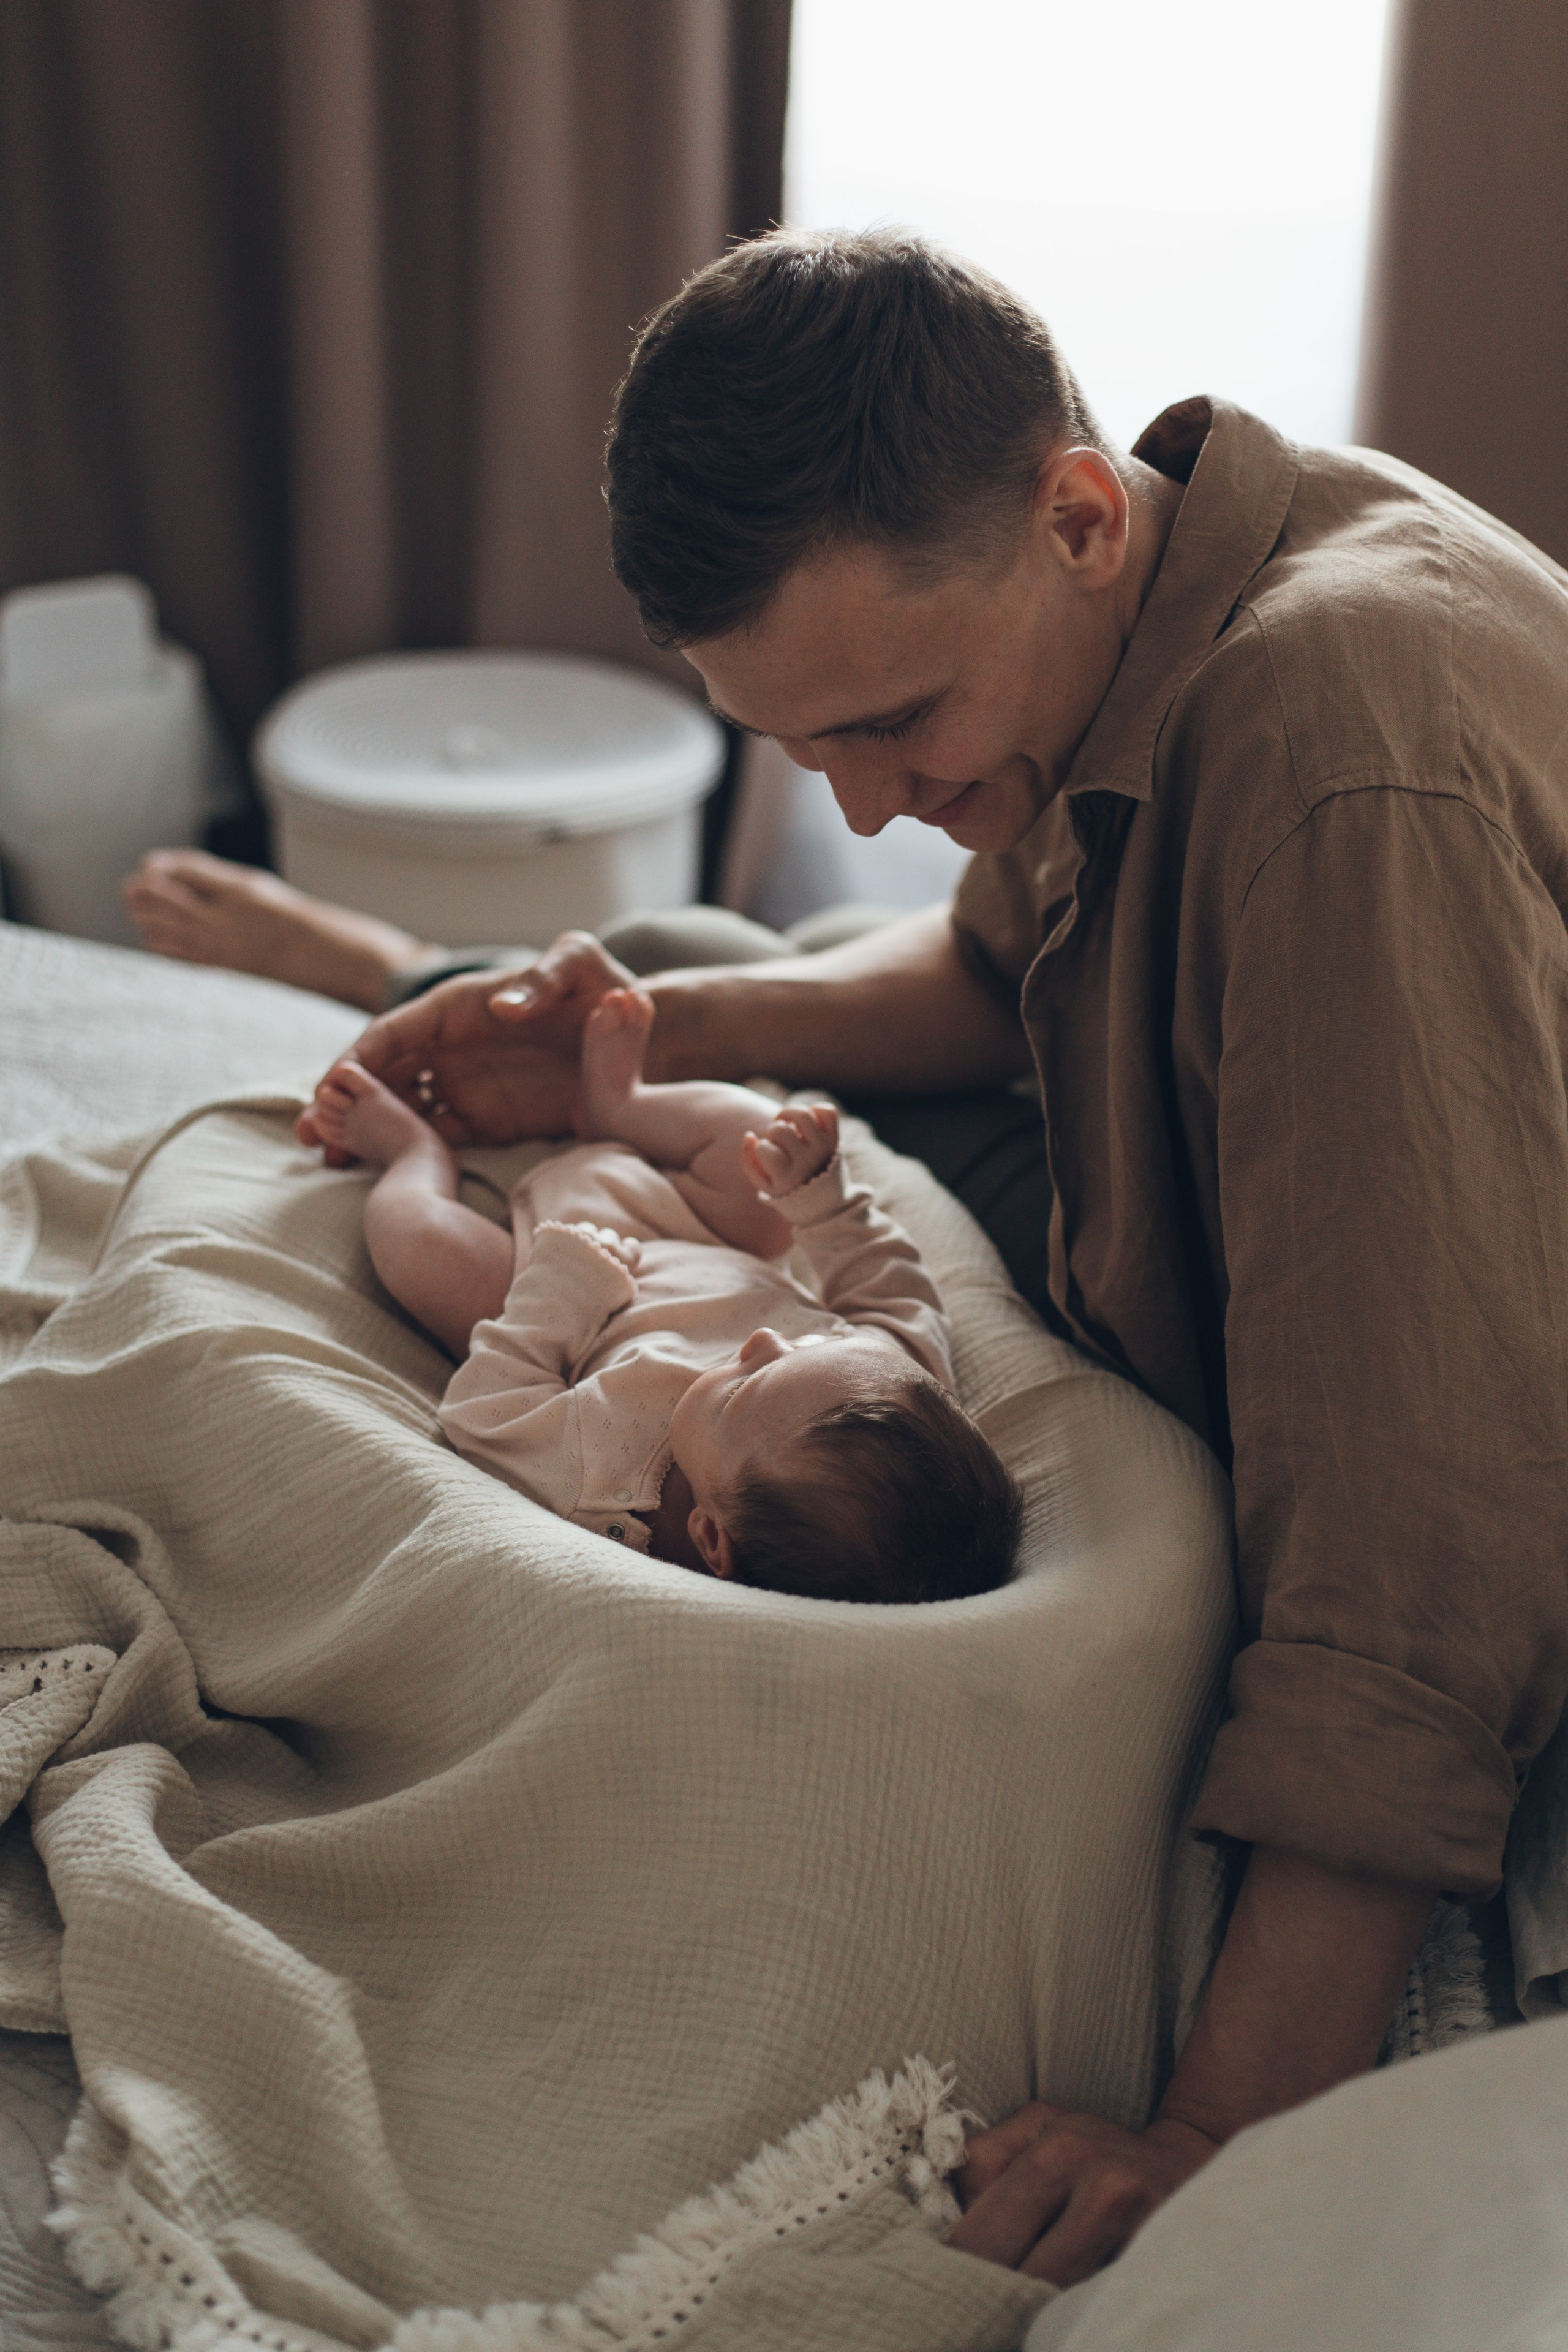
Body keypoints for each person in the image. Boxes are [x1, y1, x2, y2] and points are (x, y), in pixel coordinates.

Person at [127, 226, 1568, 2288]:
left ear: (1077, 518)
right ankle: (446, 976)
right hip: (1176, 1132)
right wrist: (635, 1042)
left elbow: (1421, 1513)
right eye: (809, 755)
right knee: (712, 973)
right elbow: (992, 980)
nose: (875, 807)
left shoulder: (1344, 768)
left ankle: (417, 968)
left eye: (896, 726)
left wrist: (1216, 2131)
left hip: (1484, 1346)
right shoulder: (1160, 573)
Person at [306, 987, 1020, 1606]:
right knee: (755, 1141)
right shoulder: (898, 1385)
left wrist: (561, 1289)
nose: (763, 1341)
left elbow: (487, 1413)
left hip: (543, 1274)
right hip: (699, 1225)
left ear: (710, 1536)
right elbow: (889, 1291)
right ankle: (622, 1106)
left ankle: (413, 1154)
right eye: (815, 1341)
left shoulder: (604, 1487)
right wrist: (824, 1203)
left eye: (742, 1387)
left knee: (421, 1249)